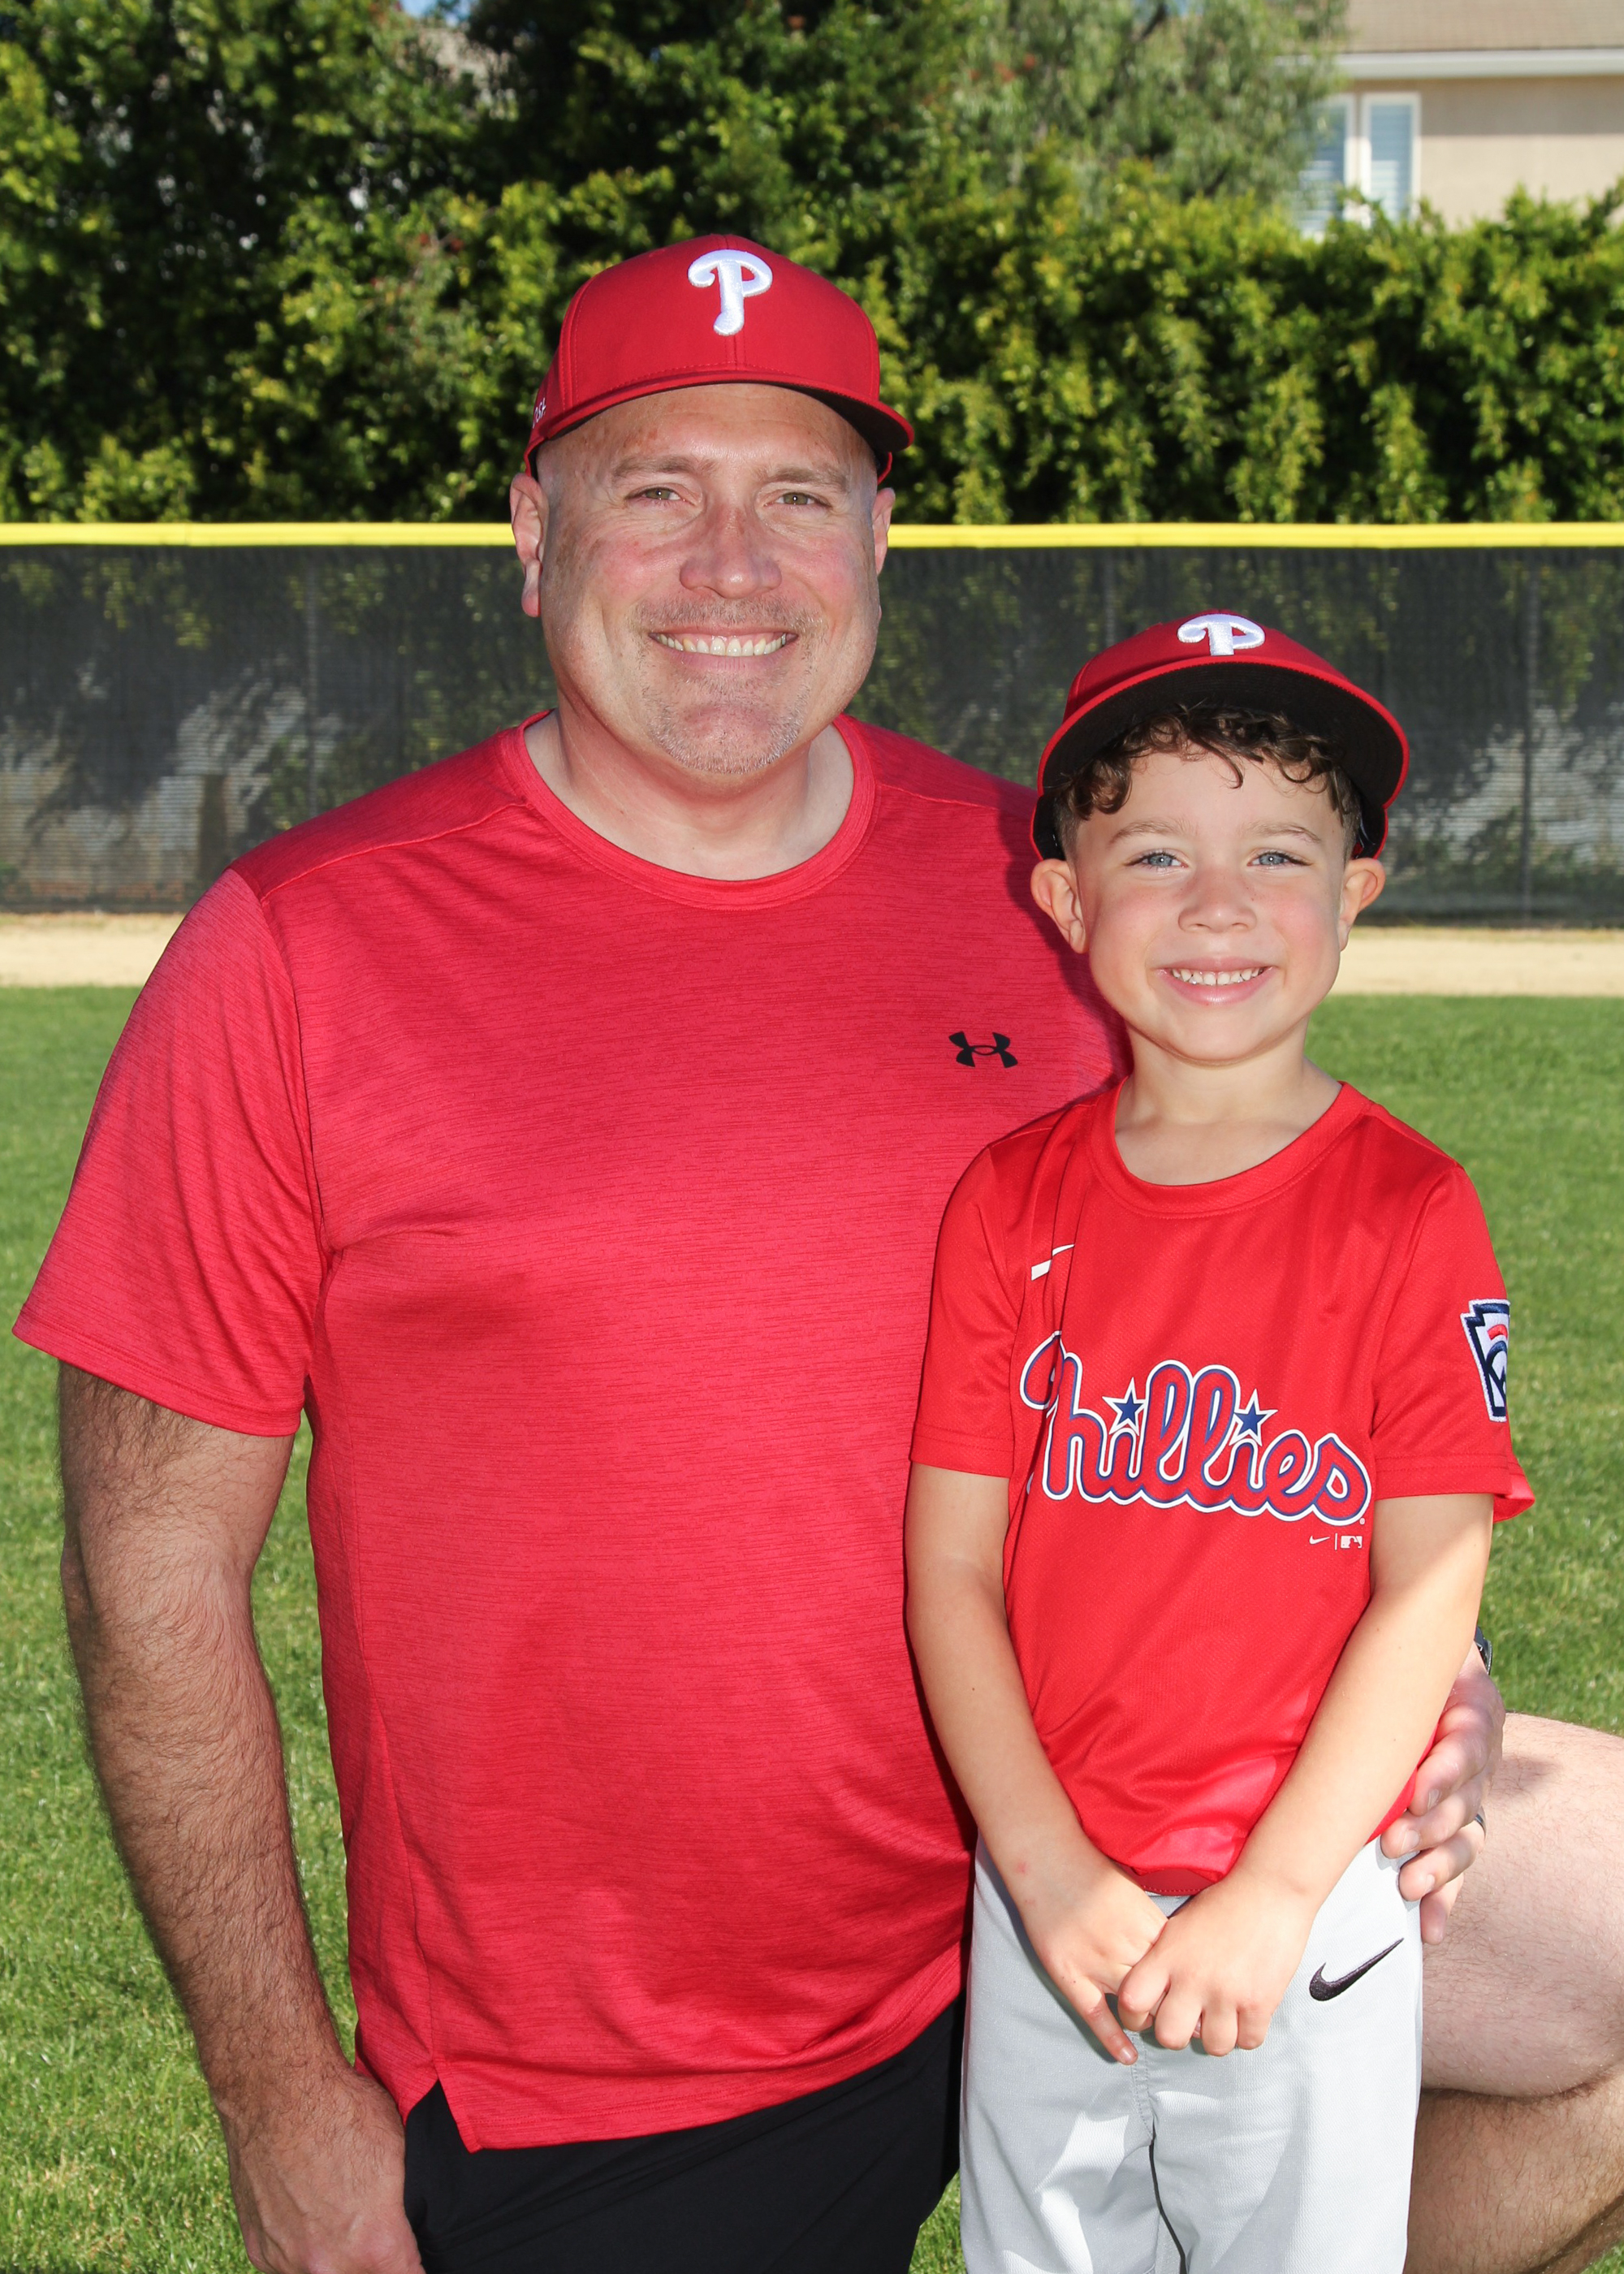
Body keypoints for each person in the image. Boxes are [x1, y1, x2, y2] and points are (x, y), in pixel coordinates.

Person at [11, 236, 1622, 2274]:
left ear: (875, 540)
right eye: (656, 486)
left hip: (1116, 1839)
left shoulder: (1050, 884)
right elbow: (149, 1568)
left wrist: (1430, 1662)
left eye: (798, 491)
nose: (732, 560)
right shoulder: (303, 948)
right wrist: (275, 2089)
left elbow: (1288, 1301)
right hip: (622, 2058)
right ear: (531, 534)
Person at [905, 620, 1531, 2272]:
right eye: (1156, 853)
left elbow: (1430, 1585)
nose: (1217, 904)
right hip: (1052, 1897)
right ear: (1065, 898)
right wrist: (1044, 1874)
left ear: (1358, 891)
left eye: (1278, 854)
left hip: (1307, 1901)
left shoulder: (1411, 1209)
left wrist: (1271, 1894)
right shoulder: (1008, 1202)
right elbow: (952, 1572)